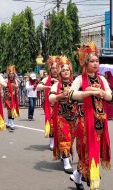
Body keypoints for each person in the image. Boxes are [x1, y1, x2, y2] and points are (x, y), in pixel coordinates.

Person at [68, 42, 111, 190]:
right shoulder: (80, 79)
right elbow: (71, 94)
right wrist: (89, 92)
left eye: (97, 60)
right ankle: (93, 182)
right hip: (84, 122)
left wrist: (104, 94)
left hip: (99, 122)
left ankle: (77, 175)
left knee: (95, 152)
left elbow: (110, 96)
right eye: (92, 61)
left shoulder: (102, 79)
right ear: (85, 63)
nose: (95, 63)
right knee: (86, 151)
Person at [49, 55, 77, 174]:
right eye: (63, 70)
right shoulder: (56, 85)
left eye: (67, 70)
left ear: (70, 71)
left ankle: (64, 154)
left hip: (74, 117)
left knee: (70, 139)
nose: (66, 72)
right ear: (60, 72)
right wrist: (60, 96)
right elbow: (51, 98)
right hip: (61, 116)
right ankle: (66, 162)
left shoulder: (76, 84)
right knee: (64, 138)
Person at [36, 56, 59, 150]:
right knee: (52, 123)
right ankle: (52, 142)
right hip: (50, 105)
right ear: (50, 69)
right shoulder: (47, 79)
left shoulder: (63, 77)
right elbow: (38, 87)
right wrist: (48, 86)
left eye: (56, 68)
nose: (55, 70)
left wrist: (58, 82)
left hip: (61, 104)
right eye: (53, 68)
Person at [3, 65, 20, 131]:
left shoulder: (16, 80)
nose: (11, 75)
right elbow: (3, 85)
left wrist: (14, 86)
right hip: (7, 98)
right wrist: (8, 85)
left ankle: (10, 123)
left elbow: (17, 87)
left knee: (11, 110)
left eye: (12, 74)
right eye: (10, 74)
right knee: (9, 110)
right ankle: (11, 123)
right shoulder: (6, 80)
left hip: (14, 98)